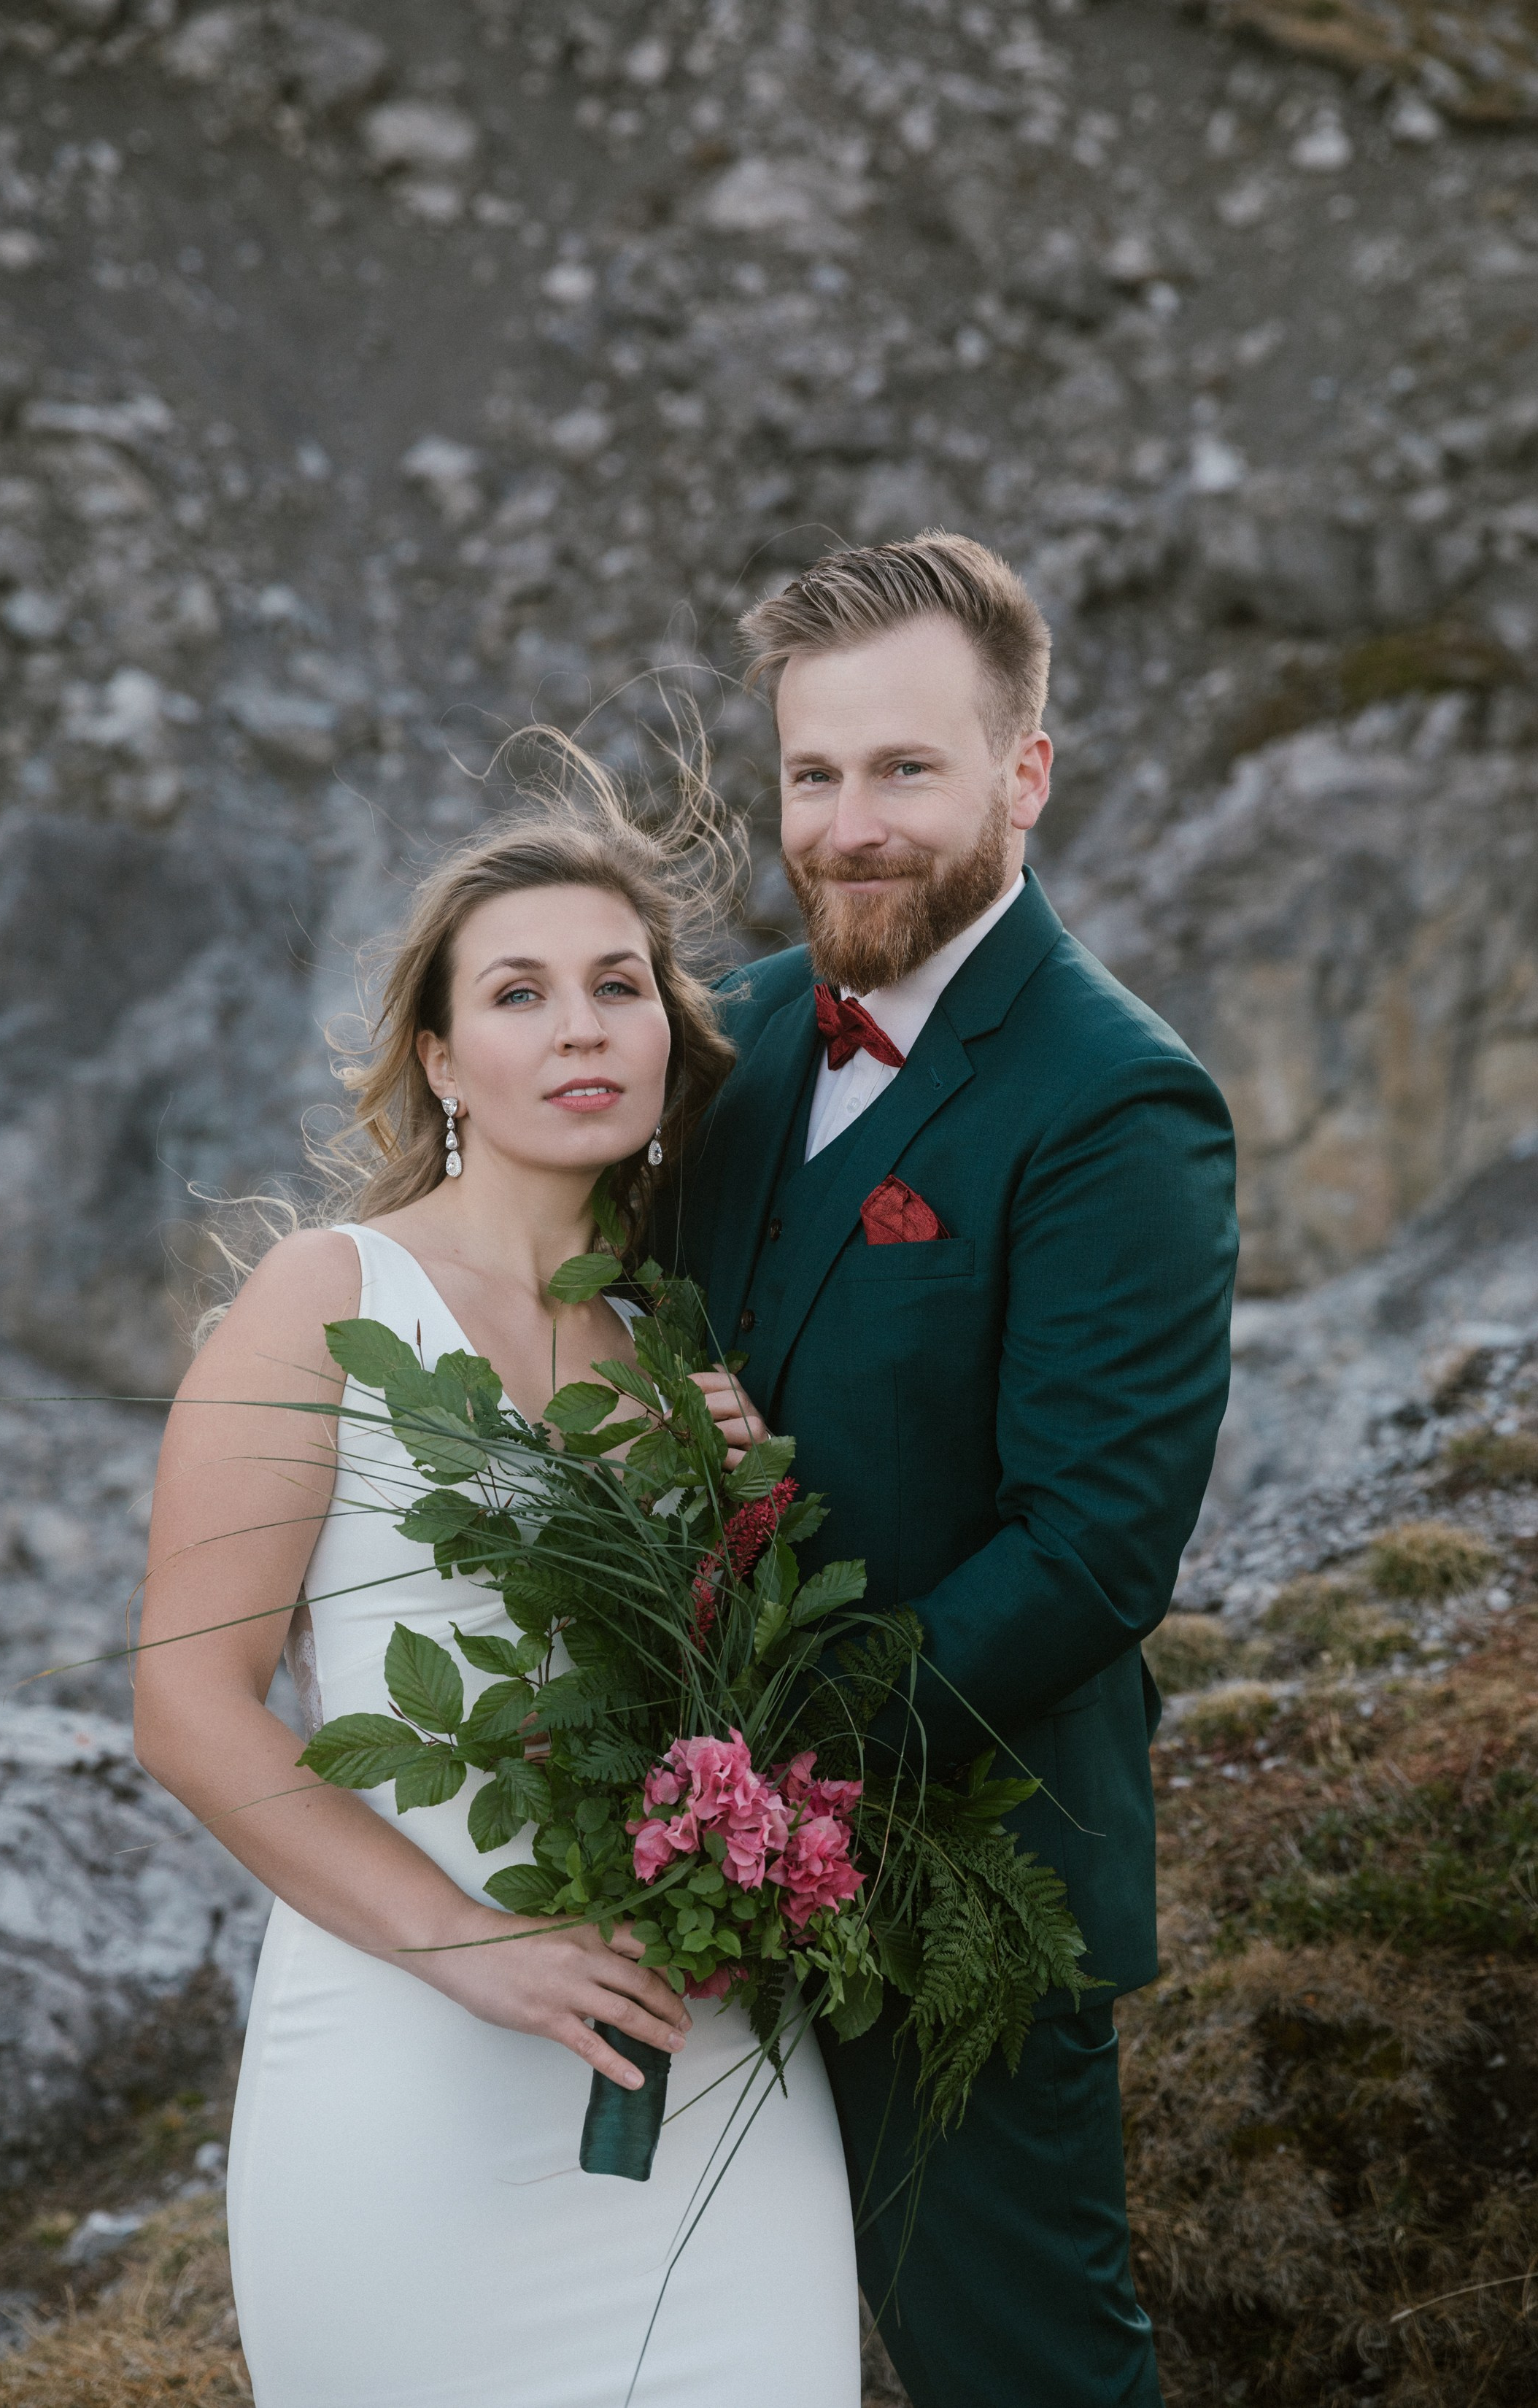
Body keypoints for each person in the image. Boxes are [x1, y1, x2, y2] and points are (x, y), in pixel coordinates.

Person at [133, 765, 862, 2408]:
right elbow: (187, 1704)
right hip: (416, 2062)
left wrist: (739, 1522)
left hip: (704, 2069)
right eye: (521, 995)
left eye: (619, 987)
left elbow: (693, 1711)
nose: (582, 1028)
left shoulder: (684, 1351)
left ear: (669, 1046)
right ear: (446, 1061)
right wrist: (465, 1944)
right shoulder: (331, 1298)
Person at [668, 533, 1239, 2407]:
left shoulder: (1114, 1100)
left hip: (961, 1892)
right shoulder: (733, 1034)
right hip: (682, 1875)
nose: (845, 824)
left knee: (1020, 2378)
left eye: (903, 769)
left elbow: (1084, 1556)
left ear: (1024, 774)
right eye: (812, 773)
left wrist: (777, 1775)